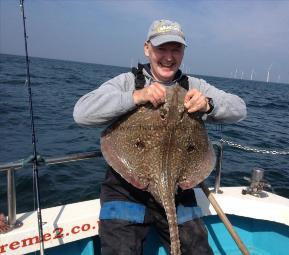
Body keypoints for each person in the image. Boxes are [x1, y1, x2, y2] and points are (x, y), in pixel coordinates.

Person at [73, 19, 246, 255]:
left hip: (178, 189)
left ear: (184, 51)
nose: (168, 56)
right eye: (161, 48)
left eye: (176, 49)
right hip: (126, 191)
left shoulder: (194, 85)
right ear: (147, 48)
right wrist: (135, 97)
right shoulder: (127, 82)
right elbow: (82, 113)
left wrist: (208, 104)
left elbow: (239, 108)